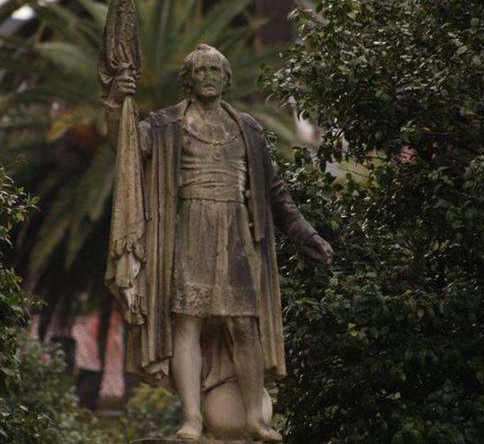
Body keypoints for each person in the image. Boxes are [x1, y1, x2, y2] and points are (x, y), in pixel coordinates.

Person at [104, 44, 333, 441]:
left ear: (227, 79)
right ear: (188, 79)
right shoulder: (164, 125)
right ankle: (192, 417)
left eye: (215, 70)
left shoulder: (247, 129)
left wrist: (305, 234)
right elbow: (124, 146)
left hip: (236, 236)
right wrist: (116, 101)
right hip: (187, 229)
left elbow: (275, 193)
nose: (208, 76)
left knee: (244, 325)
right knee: (187, 323)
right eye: (201, 70)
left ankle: (255, 419)